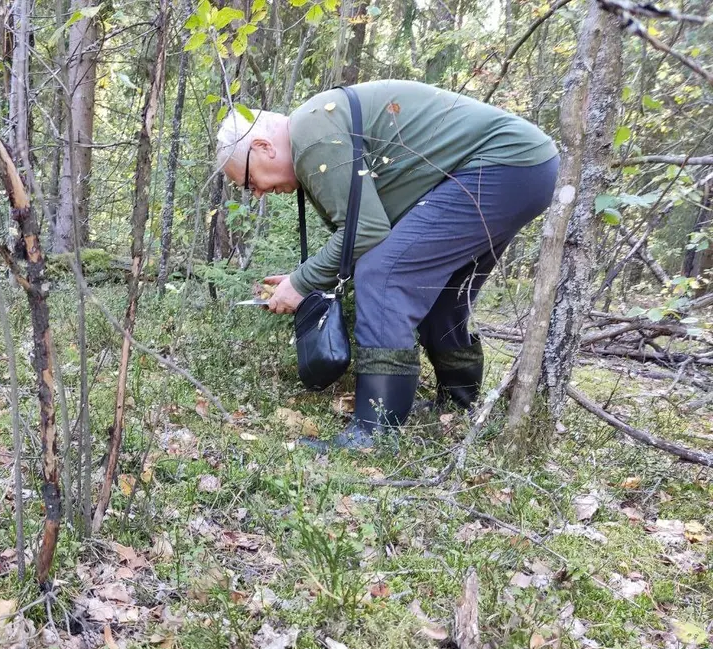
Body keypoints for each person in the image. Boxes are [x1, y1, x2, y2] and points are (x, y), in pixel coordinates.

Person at [216, 80, 559, 451]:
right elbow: (365, 235)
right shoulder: (316, 127)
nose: (257, 192)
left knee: (385, 274)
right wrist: (305, 280)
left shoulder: (310, 136)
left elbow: (366, 232)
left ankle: (374, 433)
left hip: (502, 165)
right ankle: (458, 403)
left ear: (263, 147)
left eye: (250, 181)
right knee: (439, 292)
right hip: (524, 167)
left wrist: (301, 283)